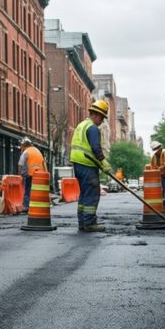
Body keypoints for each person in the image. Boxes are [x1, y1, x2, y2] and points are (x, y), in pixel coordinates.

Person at [69, 99, 111, 232]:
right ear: (97, 115)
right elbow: (96, 148)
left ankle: (82, 221)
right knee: (92, 194)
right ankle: (89, 223)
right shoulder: (92, 128)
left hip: (78, 166)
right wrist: (103, 162)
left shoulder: (81, 125)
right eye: (102, 118)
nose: (102, 121)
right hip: (88, 165)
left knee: (84, 194)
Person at [18, 137, 44, 210]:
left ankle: (26, 206)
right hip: (41, 175)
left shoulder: (26, 152)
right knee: (37, 191)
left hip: (31, 174)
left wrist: (19, 176)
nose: (21, 148)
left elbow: (20, 164)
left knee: (28, 190)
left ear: (24, 145)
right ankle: (37, 206)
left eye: (21, 146)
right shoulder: (37, 150)